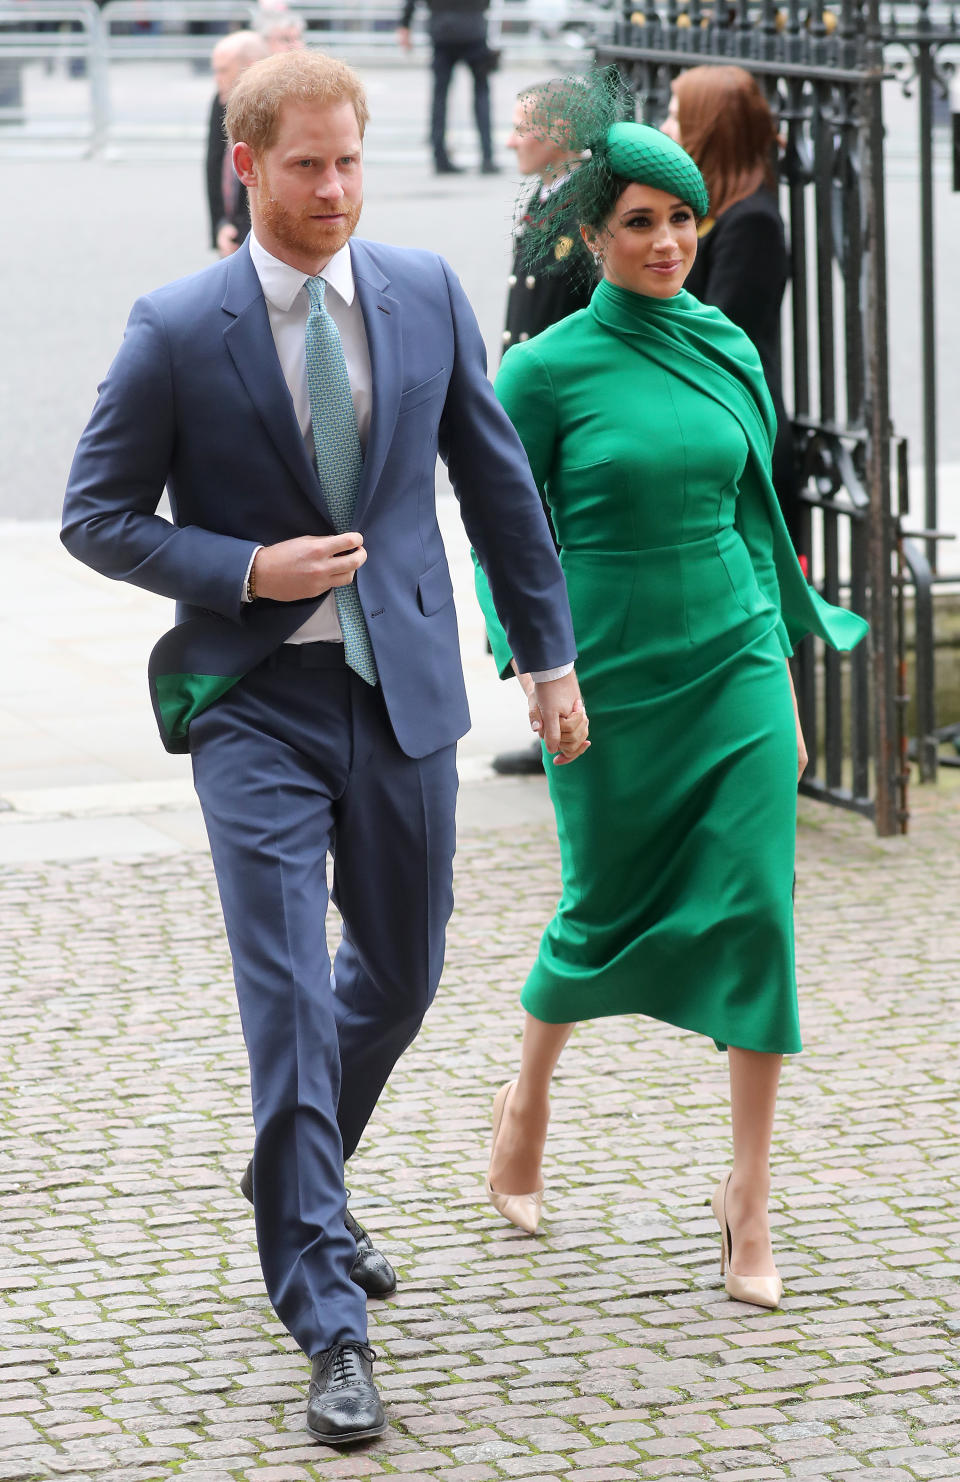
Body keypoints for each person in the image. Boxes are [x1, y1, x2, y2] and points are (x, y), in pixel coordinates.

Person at [61, 50, 588, 1445]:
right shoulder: (177, 325)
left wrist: (548, 655)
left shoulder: (421, 293)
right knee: (290, 997)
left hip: (404, 697)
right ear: (248, 166)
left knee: (402, 972)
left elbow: (494, 478)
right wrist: (248, 565)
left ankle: (288, 1181)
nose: (333, 189)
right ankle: (326, 1312)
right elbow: (96, 515)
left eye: (349, 160)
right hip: (256, 708)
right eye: (305, 165)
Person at [474, 76, 867, 1309]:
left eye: (682, 221)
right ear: (591, 236)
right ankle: (527, 1097)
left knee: (758, 911)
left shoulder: (727, 343)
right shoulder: (546, 372)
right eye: (640, 222)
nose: (667, 243)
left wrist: (787, 670)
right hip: (609, 675)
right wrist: (535, 669)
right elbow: (502, 530)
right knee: (600, 908)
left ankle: (748, 1197)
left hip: (735, 654)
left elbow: (755, 518)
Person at [494, 77, 598, 777]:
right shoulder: (543, 198)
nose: (511, 141)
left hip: (561, 404)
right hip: (529, 396)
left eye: (524, 128)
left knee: (547, 556)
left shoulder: (581, 204)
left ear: (561, 133)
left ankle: (561, 715)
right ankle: (547, 711)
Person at [662, 65, 802, 556]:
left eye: (677, 117)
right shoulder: (709, 211)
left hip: (738, 435)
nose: (665, 128)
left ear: (709, 128)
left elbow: (719, 337)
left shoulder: (753, 221)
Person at [396, 0, 498, 174]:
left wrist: (405, 25)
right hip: (473, 29)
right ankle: (487, 157)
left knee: (439, 98)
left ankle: (439, 157)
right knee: (481, 94)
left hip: (442, 31)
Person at [205, 30, 270, 256]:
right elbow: (213, 166)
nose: (217, 78)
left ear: (249, 67)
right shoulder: (221, 99)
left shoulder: (278, 107)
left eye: (223, 70)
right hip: (233, 230)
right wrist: (220, 225)